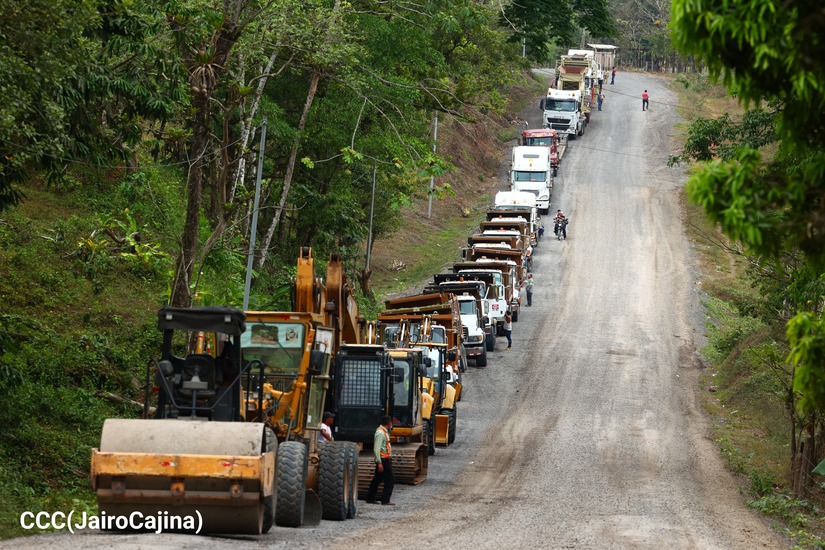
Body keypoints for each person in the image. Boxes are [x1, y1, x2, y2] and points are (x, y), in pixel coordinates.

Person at [366, 415, 395, 505]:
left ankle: (370, 498)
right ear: (389, 423)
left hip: (384, 459)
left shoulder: (384, 431)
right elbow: (376, 449)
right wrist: (379, 463)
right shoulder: (380, 433)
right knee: (390, 480)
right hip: (383, 460)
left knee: (377, 479)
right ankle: (385, 500)